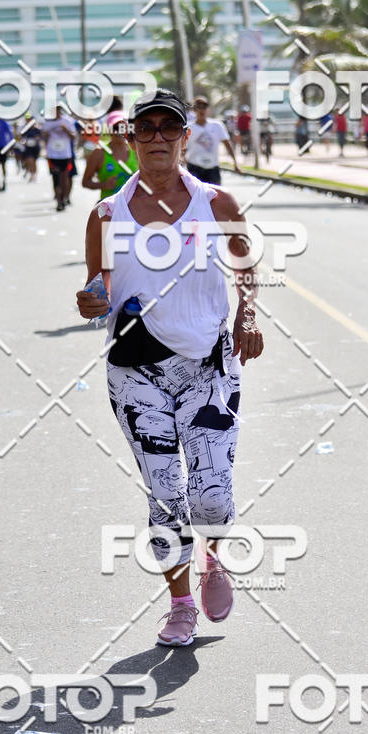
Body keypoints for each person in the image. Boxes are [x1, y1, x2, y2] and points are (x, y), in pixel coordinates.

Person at [76, 88, 264, 647]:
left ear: (185, 138)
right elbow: (99, 287)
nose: (157, 136)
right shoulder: (106, 214)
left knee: (211, 495)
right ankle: (180, 604)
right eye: (146, 128)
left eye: (168, 128)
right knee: (163, 493)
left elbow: (246, 266)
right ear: (130, 140)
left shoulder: (218, 204)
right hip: (135, 372)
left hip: (209, 364)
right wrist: (91, 301)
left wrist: (247, 315)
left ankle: (213, 558)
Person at [82, 109, 138, 199]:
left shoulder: (136, 150)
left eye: (123, 128)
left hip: (133, 209)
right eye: (116, 128)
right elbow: (85, 182)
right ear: (109, 129)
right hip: (109, 210)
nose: (120, 132)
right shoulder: (99, 153)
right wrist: (104, 185)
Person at [185, 95, 241, 184]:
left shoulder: (217, 125)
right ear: (194, 110)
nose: (201, 110)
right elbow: (183, 149)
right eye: (198, 107)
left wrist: (235, 163)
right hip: (194, 168)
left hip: (212, 168)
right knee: (195, 196)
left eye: (204, 107)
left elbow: (227, 144)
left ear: (208, 109)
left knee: (216, 196)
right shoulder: (188, 128)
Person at [42, 104, 77, 211]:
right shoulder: (47, 123)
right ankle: (59, 202)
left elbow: (73, 136)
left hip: (65, 154)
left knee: (65, 178)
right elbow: (43, 137)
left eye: (58, 111)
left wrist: (66, 130)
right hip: (52, 154)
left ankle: (65, 197)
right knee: (56, 178)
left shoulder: (67, 121)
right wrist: (46, 134)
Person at [21, 114, 42, 181]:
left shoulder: (37, 129)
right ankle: (31, 174)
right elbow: (21, 137)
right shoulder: (25, 129)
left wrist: (37, 138)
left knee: (34, 162)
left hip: (35, 147)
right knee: (29, 161)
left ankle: (34, 174)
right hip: (28, 147)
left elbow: (41, 137)